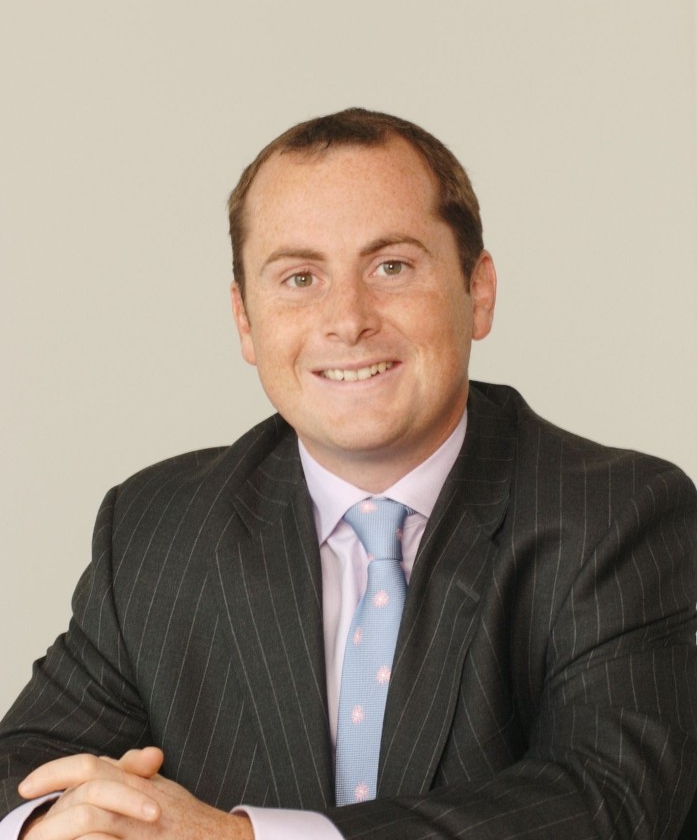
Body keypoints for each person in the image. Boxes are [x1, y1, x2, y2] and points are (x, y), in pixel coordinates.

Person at [1, 108, 696, 840]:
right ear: (245, 320)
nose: (347, 318)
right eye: (300, 277)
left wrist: (245, 839)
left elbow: (608, 799)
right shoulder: (160, 525)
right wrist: (59, 823)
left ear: (479, 291)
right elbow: (23, 760)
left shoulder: (618, 515)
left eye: (391, 266)